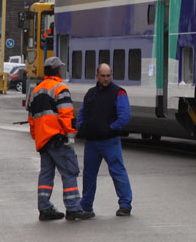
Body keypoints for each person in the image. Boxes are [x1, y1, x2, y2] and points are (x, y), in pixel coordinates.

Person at [26, 56, 92, 221]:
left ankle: (44, 208)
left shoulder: (36, 90)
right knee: (69, 171)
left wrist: (37, 137)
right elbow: (65, 114)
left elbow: (31, 118)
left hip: (44, 140)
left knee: (46, 174)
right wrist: (71, 134)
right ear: (58, 71)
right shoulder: (59, 88)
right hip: (58, 138)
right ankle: (73, 208)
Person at [77, 62, 133, 217]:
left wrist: (110, 129)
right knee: (89, 175)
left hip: (109, 141)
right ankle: (86, 206)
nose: (106, 79)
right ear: (97, 76)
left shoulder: (119, 93)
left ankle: (125, 205)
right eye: (103, 76)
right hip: (93, 142)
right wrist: (81, 127)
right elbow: (82, 113)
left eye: (108, 75)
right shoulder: (90, 93)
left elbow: (125, 116)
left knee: (117, 172)